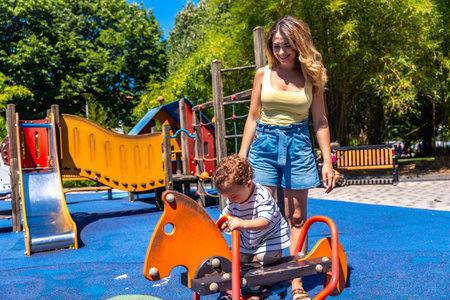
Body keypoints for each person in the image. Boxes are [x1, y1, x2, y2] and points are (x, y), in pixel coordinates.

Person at [238, 16, 335, 300]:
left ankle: (295, 282)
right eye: (276, 46)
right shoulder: (262, 74)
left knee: (296, 216)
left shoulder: (311, 77)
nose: (282, 52)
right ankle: (260, 277)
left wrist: (327, 161)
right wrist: (243, 157)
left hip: (299, 145)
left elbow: (320, 121)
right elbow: (253, 117)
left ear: (299, 44)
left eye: (287, 46)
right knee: (263, 215)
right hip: (265, 146)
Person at [213, 154, 291, 300]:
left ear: (248, 184)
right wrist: (220, 225)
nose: (230, 200)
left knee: (263, 257)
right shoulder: (234, 198)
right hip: (249, 242)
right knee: (235, 259)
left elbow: (264, 222)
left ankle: (261, 286)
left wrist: (241, 223)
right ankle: (240, 287)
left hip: (269, 240)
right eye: (227, 197)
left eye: (233, 196)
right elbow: (224, 216)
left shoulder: (262, 196)